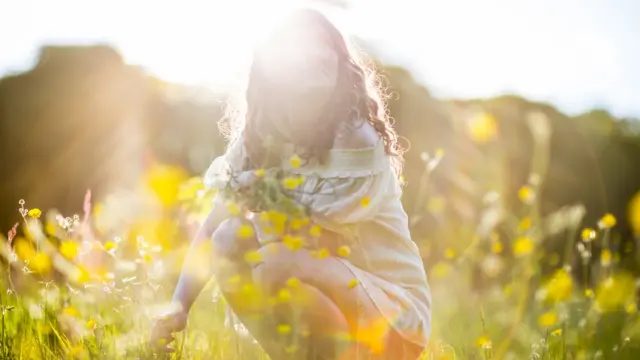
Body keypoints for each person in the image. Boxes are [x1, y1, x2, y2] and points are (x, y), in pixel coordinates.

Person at [150, 8, 431, 360]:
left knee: (276, 265)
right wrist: (179, 304)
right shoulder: (261, 136)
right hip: (306, 279)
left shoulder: (354, 135)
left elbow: (319, 232)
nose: (316, 57)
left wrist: (266, 189)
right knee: (229, 239)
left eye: (325, 49)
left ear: (340, 62)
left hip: (392, 321)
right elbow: (215, 223)